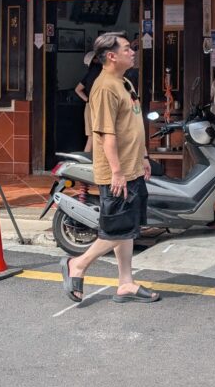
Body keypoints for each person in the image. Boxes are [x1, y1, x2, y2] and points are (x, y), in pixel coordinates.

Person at [61, 32, 159, 305]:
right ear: (112, 56)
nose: (132, 52)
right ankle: (78, 265)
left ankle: (126, 283)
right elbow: (105, 134)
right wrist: (117, 171)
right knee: (116, 228)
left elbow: (134, 125)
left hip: (132, 166)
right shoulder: (104, 87)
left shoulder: (124, 82)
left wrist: (144, 156)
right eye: (127, 49)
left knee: (127, 228)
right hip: (119, 172)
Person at [74, 49, 105, 155]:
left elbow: (77, 89)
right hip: (100, 106)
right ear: (95, 60)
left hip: (90, 106)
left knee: (91, 136)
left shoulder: (89, 74)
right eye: (99, 57)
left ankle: (86, 162)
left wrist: (87, 100)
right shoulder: (102, 72)